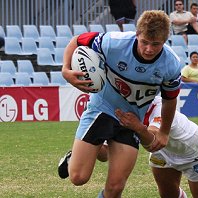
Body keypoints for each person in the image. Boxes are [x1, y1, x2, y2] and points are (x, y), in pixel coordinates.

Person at [58, 10, 182, 198]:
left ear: (165, 41)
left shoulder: (171, 64)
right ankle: (77, 155)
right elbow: (77, 40)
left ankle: (96, 147)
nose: (149, 49)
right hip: (102, 108)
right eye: (144, 42)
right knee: (78, 177)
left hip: (131, 120)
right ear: (137, 34)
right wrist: (66, 70)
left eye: (156, 44)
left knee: (115, 188)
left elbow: (169, 99)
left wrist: (164, 131)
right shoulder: (113, 43)